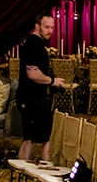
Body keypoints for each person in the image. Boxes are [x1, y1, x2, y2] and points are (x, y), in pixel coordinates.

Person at [16, 13, 66, 162]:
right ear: (37, 27)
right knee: (46, 138)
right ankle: (45, 176)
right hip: (32, 98)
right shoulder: (34, 44)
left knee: (29, 138)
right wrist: (52, 81)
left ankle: (21, 175)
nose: (50, 30)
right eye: (46, 27)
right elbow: (32, 74)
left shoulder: (33, 43)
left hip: (31, 97)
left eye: (52, 27)